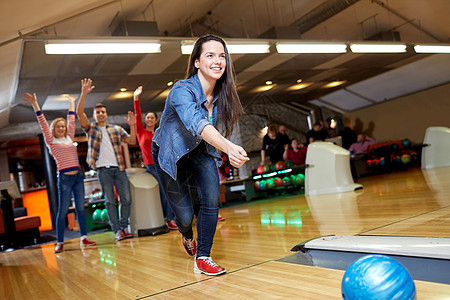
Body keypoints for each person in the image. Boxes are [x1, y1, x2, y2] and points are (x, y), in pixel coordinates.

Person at [152, 34, 249, 276]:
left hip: (200, 151)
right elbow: (196, 123)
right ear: (196, 62)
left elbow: (207, 133)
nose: (218, 61)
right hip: (170, 154)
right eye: (210, 55)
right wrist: (228, 147)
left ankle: (203, 256)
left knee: (211, 201)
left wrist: (224, 148)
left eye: (222, 56)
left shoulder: (220, 97)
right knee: (184, 217)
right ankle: (186, 235)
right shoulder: (181, 91)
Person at [24, 92, 96, 253]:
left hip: (77, 176)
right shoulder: (51, 141)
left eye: (63, 126)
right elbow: (42, 123)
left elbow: (71, 119)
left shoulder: (70, 138)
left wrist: (72, 103)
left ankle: (84, 237)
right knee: (62, 211)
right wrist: (35, 104)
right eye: (58, 126)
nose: (62, 128)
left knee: (80, 209)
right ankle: (60, 241)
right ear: (54, 129)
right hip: (64, 179)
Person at [77, 78, 137, 241]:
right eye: (98, 113)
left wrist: (132, 125)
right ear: (94, 116)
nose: (101, 114)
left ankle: (124, 227)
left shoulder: (116, 129)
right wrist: (83, 93)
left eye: (103, 112)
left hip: (119, 169)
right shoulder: (90, 129)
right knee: (110, 201)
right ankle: (117, 230)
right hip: (103, 170)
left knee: (126, 199)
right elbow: (79, 114)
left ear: (106, 114)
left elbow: (132, 141)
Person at [132, 86, 177, 230]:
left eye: (152, 117)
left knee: (172, 190)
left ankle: (174, 218)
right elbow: (137, 115)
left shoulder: (159, 133)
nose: (149, 119)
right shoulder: (141, 132)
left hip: (165, 164)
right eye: (147, 117)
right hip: (152, 165)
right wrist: (136, 98)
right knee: (165, 192)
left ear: (156, 120)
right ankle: (169, 219)